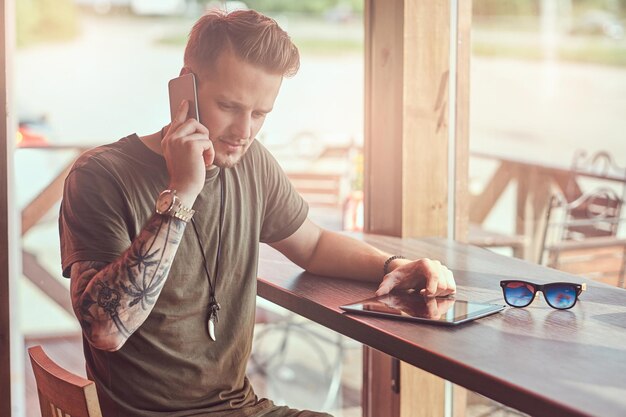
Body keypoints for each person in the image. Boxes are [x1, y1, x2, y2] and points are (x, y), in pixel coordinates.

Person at [59, 9, 456, 417]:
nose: (244, 131)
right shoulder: (99, 176)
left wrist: (394, 265)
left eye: (260, 113)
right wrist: (182, 192)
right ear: (185, 89)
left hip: (240, 408)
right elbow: (105, 331)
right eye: (229, 106)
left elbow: (314, 244)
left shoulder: (252, 164)